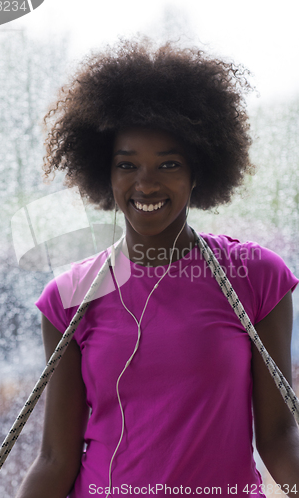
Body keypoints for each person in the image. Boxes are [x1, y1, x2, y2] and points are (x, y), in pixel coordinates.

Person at [16, 39, 299, 498]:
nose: (145, 182)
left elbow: (278, 438)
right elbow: (55, 459)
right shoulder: (70, 295)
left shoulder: (256, 277)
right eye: (127, 165)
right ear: (105, 175)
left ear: (197, 173)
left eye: (168, 164)